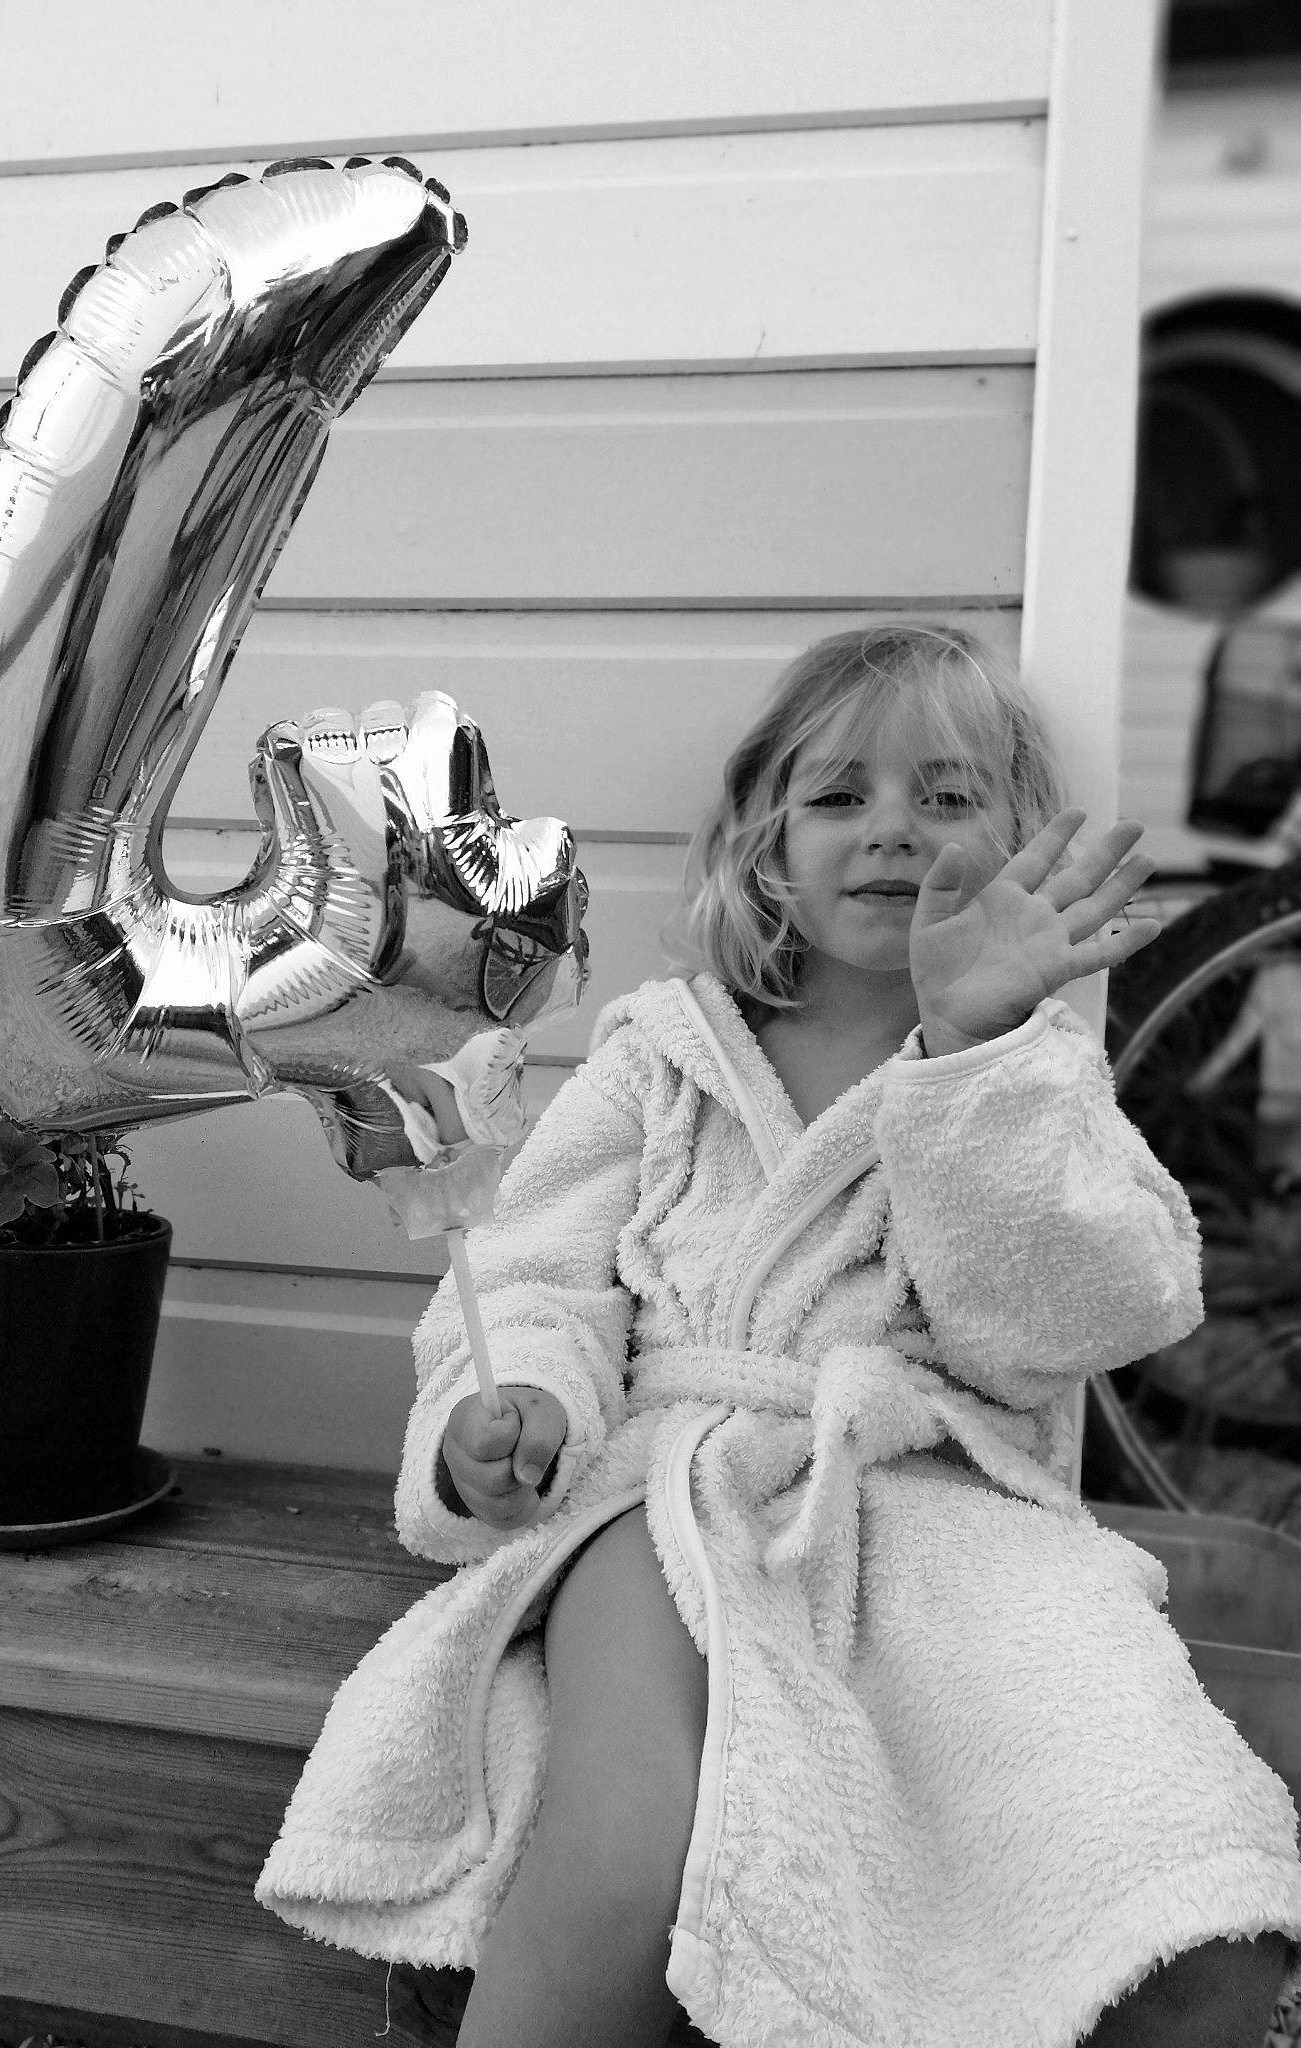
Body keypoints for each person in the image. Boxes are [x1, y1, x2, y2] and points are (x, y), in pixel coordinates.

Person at [258, 623, 1301, 2048]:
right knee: (628, 1840)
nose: (891, 833)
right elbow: (533, 1275)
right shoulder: (659, 1053)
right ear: (765, 841)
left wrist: (975, 1059)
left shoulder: (1030, 1072)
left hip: (948, 1522)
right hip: (677, 1495)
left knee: (1172, 1871)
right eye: (840, 798)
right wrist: (519, 1417)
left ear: (1014, 845)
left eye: (945, 798)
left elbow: (1093, 1309)